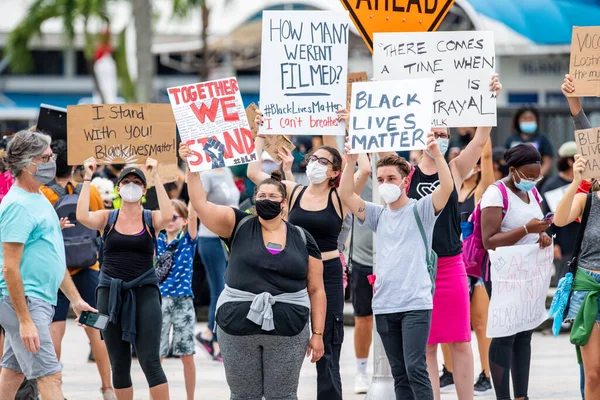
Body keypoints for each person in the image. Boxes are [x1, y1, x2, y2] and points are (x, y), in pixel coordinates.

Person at [180, 142, 327, 399]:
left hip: (289, 330)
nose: (266, 201)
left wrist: (317, 334)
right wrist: (192, 169)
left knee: (283, 395)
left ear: (284, 204)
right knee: (242, 395)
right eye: (261, 197)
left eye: (273, 197)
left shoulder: (303, 238)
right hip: (237, 328)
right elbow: (201, 205)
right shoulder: (236, 224)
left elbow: (316, 289)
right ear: (253, 200)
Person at [402, 75, 502, 400]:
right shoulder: (405, 174)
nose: (440, 138)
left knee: (460, 340)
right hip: (417, 270)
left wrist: (489, 98)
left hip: (450, 265)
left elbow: (482, 137)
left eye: (444, 133)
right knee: (427, 344)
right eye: (434, 132)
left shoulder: (457, 168)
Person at [250, 110, 361, 400]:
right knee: (287, 346)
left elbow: (364, 172)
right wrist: (261, 133)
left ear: (335, 171)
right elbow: (254, 173)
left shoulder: (340, 198)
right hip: (295, 274)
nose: (315, 164)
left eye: (323, 161)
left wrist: (351, 128)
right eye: (313, 159)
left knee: (328, 350)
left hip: (329, 275)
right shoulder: (293, 190)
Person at [340, 134, 453, 400]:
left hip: (415, 303)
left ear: (405, 181)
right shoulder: (378, 215)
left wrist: (437, 154)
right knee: (399, 372)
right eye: (380, 180)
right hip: (385, 305)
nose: (385, 184)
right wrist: (350, 162)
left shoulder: (421, 209)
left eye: (391, 179)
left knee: (416, 368)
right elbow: (346, 194)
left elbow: (446, 189)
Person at [0, 130, 96, 400]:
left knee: (13, 372)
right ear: (26, 163)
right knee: (50, 376)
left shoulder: (39, 197)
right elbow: (9, 267)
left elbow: (53, 258)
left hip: (36, 299)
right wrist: (25, 320)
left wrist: (75, 300)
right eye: (45, 157)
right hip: (26, 302)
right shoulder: (18, 205)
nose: (52, 160)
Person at [76, 159, 172, 400]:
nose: (131, 186)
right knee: (118, 363)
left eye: (137, 182)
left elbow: (169, 215)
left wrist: (156, 176)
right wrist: (87, 178)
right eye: (126, 182)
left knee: (150, 360)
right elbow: (81, 215)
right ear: (118, 188)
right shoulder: (107, 218)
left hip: (145, 291)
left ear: (144, 190)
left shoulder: (151, 218)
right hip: (110, 293)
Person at [38, 140, 115, 399]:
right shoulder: (89, 190)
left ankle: (54, 388)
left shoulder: (42, 194)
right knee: (97, 330)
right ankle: (107, 387)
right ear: (73, 165)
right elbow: (101, 223)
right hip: (88, 268)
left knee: (54, 331)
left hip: (56, 271)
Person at [481, 144, 553, 400]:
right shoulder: (495, 193)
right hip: (502, 273)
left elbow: (536, 225)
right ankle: (503, 397)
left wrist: (542, 234)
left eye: (537, 177)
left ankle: (521, 396)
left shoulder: (532, 192)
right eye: (529, 176)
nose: (533, 181)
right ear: (513, 171)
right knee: (505, 334)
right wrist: (527, 230)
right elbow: (489, 239)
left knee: (524, 334)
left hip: (527, 270)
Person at [457, 140, 495, 395]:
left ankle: (487, 372)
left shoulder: (482, 191)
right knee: (455, 325)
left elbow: (488, 156)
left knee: (481, 323)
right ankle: (449, 371)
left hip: (477, 265)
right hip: (451, 263)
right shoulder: (449, 189)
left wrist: (484, 114)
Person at [194, 167, 240, 362]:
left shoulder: (227, 171)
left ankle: (207, 333)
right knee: (218, 289)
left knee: (227, 288)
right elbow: (196, 205)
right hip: (210, 237)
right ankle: (214, 340)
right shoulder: (206, 174)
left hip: (230, 238)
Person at [158, 198, 197, 400]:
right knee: (158, 354)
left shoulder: (187, 240)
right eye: (167, 216)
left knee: (187, 354)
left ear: (183, 220)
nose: (170, 221)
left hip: (183, 300)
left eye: (174, 217)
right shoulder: (156, 240)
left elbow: (194, 210)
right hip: (160, 300)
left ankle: (190, 397)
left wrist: (193, 175)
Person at [541, 141, 580, 286]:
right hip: (564, 246)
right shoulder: (551, 185)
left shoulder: (587, 183)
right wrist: (554, 243)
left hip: (584, 243)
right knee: (564, 285)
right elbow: (547, 217)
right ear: (571, 161)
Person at [504, 106, 554, 180]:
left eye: (531, 118)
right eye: (525, 118)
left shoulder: (542, 139)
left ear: (536, 120)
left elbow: (547, 162)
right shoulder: (511, 139)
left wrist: (536, 178)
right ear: (518, 121)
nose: (528, 121)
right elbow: (505, 161)